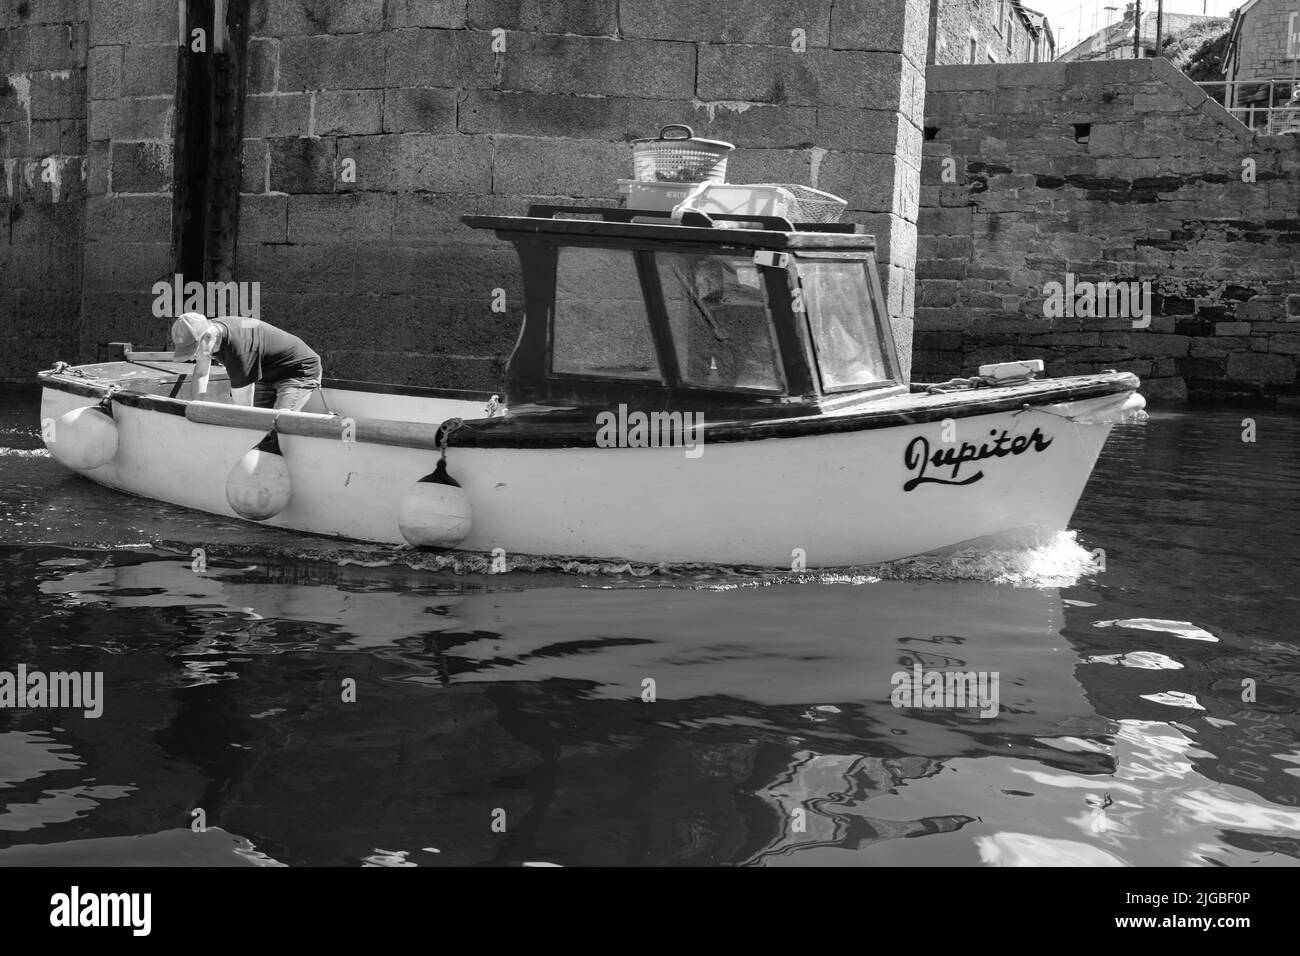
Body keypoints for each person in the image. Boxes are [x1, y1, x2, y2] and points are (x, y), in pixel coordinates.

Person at [170, 312, 322, 411]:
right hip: (266, 373)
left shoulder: (239, 350)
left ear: (208, 337)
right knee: (259, 427)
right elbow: (201, 373)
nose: (191, 357)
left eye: (193, 351)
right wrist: (198, 408)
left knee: (279, 424)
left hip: (298, 371)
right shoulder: (208, 330)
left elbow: (244, 412)